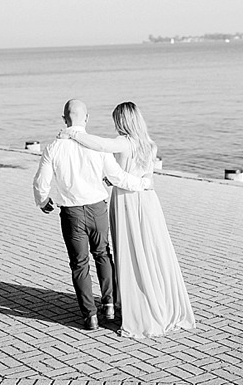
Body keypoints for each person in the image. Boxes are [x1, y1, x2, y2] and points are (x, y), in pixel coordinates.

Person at [58, 101, 195, 338]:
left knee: (131, 255)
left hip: (128, 203)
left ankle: (138, 308)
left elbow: (99, 145)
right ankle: (156, 300)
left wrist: (70, 133)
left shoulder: (124, 142)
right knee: (151, 253)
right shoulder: (149, 145)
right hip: (149, 202)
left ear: (122, 121)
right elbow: (140, 176)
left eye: (115, 121)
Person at [33, 99, 153, 331]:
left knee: (79, 264)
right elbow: (116, 176)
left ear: (63, 119)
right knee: (103, 254)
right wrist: (142, 184)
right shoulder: (97, 146)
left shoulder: (53, 147)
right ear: (86, 118)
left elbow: (41, 182)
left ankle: (90, 316)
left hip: (72, 213)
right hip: (98, 208)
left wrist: (43, 201)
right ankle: (108, 303)